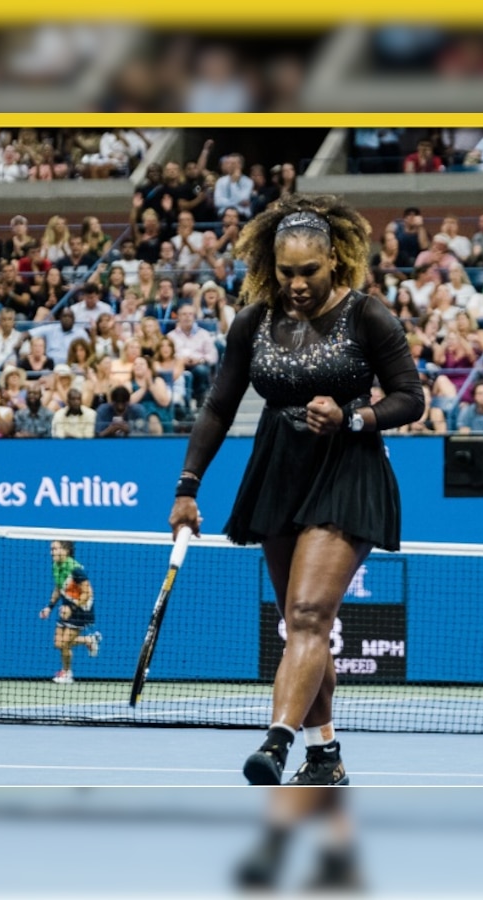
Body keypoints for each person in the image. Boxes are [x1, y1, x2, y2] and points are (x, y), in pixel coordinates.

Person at [168, 195, 423, 787]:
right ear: (271, 266)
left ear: (334, 260)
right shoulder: (254, 322)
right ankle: (325, 754)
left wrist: (355, 418)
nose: (298, 284)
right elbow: (217, 408)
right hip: (278, 469)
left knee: (309, 613)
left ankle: (276, 743)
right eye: (287, 272)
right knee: (297, 626)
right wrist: (187, 486)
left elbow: (411, 397)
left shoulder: (368, 316)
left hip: (349, 468)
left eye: (309, 271)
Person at [38, 540, 101, 684]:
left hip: (81, 610)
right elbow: (58, 588)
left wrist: (72, 608)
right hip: (66, 608)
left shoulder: (76, 570)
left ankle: (67, 673)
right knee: (58, 643)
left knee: (65, 643)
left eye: (55, 549)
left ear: (65, 551)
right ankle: (89, 640)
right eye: (51, 549)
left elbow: (88, 593)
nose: (51, 552)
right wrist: (49, 607)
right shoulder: (56, 566)